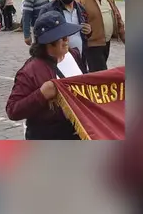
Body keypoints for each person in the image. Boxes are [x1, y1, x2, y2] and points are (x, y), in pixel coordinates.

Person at [5, 11, 86, 139]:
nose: (67, 40)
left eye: (67, 35)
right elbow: (13, 110)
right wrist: (41, 94)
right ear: (48, 41)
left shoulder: (74, 55)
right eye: (62, 37)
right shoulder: (30, 71)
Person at [77, 0, 125, 72]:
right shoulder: (81, 0)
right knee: (100, 72)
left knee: (100, 70)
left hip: (106, 42)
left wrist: (122, 33)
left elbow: (116, 14)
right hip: (93, 44)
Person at [47, 0, 92, 73]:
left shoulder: (81, 10)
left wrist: (89, 31)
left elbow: (85, 36)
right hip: (58, 61)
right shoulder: (49, 11)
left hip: (79, 59)